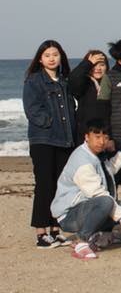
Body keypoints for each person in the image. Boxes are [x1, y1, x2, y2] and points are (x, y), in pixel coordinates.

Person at [50, 119, 121, 260]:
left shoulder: (95, 155)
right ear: (86, 137)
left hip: (87, 206)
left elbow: (108, 171)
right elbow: (97, 193)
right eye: (97, 137)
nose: (101, 142)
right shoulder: (82, 161)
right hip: (69, 215)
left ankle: (101, 236)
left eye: (105, 137)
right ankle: (81, 241)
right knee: (106, 202)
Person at [23, 39, 75, 248]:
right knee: (44, 185)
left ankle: (56, 230)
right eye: (47, 55)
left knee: (60, 185)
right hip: (43, 140)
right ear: (40, 59)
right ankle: (41, 232)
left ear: (61, 56)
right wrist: (50, 122)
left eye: (55, 54)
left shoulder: (64, 80)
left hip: (65, 140)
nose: (51, 59)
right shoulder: (34, 80)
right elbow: (32, 109)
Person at [68, 49, 108, 137]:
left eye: (102, 65)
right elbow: (73, 78)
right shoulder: (84, 83)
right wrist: (87, 63)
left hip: (105, 135)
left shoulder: (110, 84)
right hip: (85, 135)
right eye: (94, 65)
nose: (98, 68)